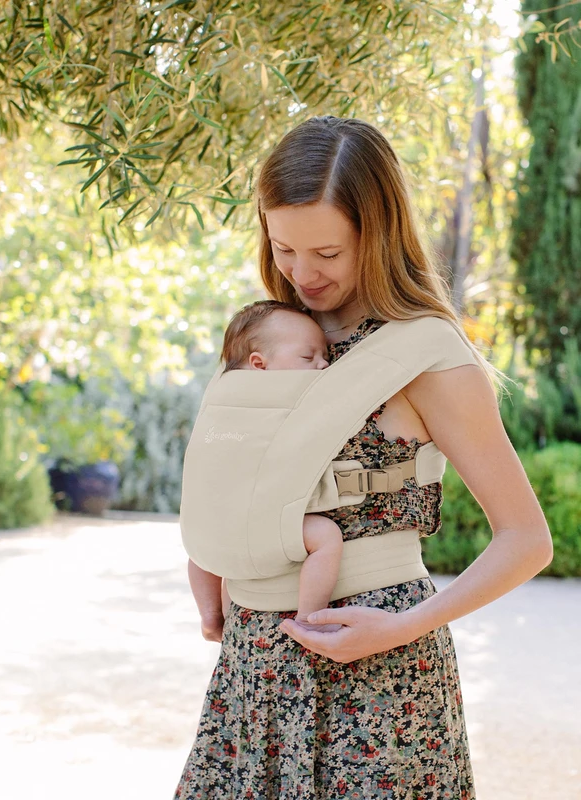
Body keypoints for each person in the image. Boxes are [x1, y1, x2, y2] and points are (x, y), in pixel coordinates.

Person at [175, 115, 553, 799]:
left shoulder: (426, 354)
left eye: (327, 252)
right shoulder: (274, 338)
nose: (301, 273)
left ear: (376, 234)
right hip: (255, 664)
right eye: (283, 248)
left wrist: (401, 629)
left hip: (380, 675)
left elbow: (527, 540)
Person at [188, 299, 345, 634]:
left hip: (219, 521)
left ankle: (210, 616)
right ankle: (309, 618)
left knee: (201, 550)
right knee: (326, 537)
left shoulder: (218, 400)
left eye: (326, 357)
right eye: (308, 357)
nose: (323, 365)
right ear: (259, 365)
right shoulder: (286, 400)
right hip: (261, 522)